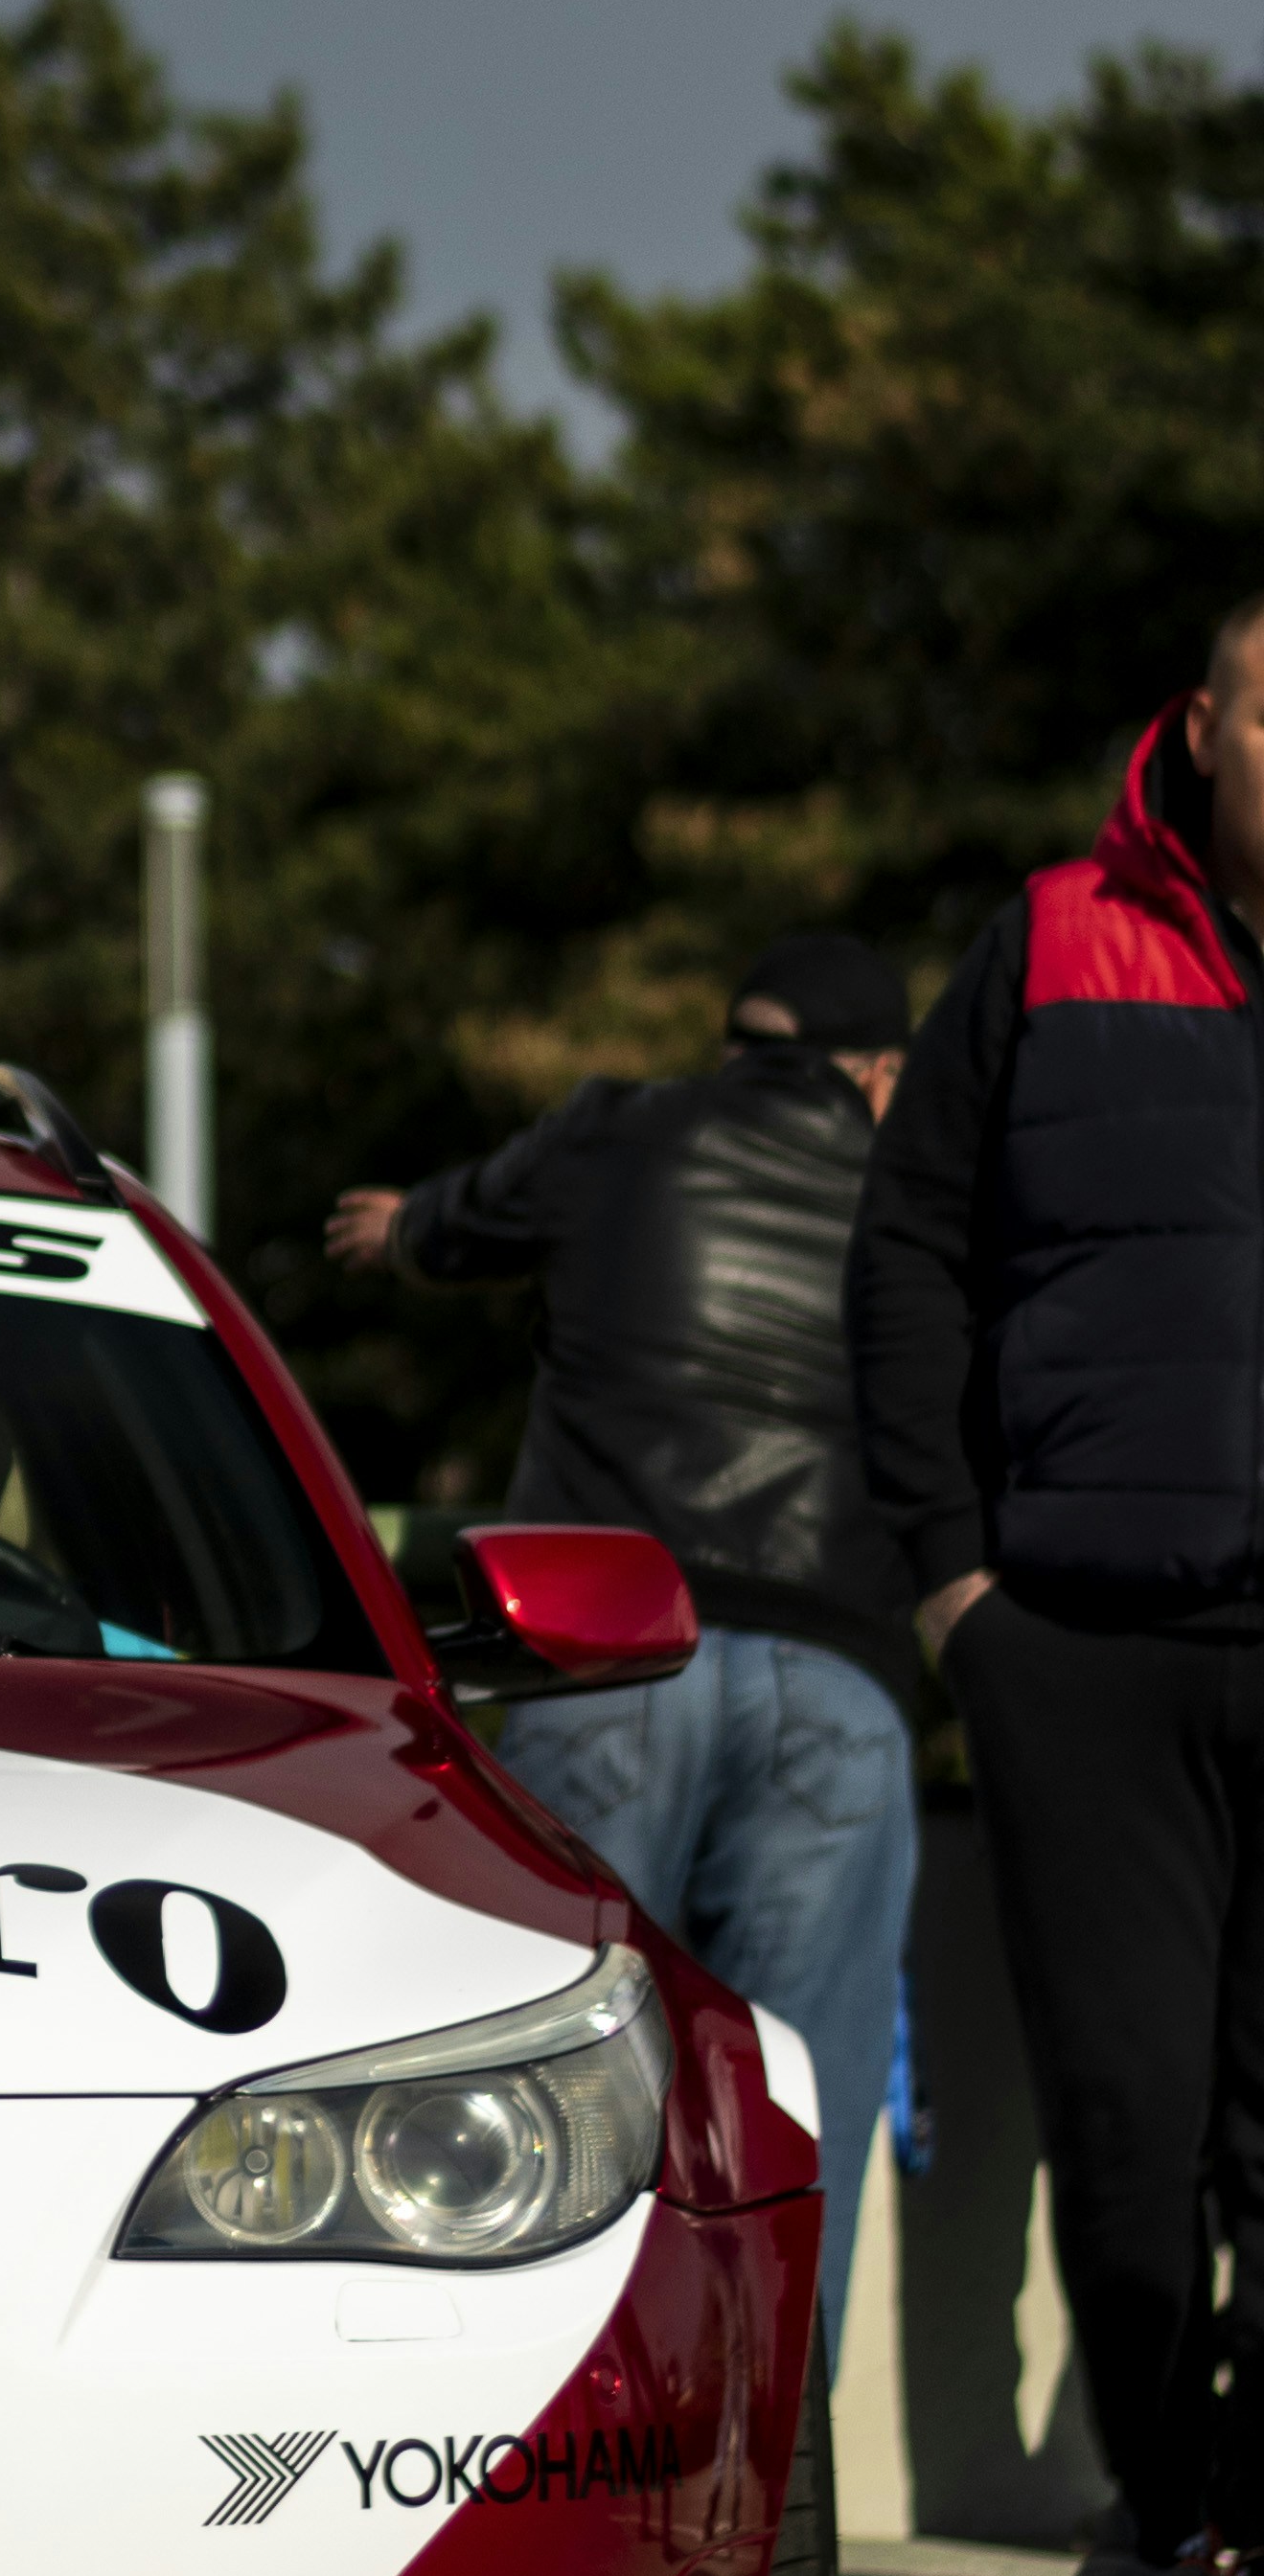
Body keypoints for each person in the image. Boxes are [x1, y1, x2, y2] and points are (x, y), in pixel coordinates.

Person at [851, 625, 1264, 2576]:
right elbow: (906, 1253)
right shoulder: (1049, 945)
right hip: (1081, 1648)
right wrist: (950, 1587)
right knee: (1123, 2138)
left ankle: (1229, 2551)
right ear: (1201, 730)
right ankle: (1162, 2530)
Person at [327, 935, 918, 2356]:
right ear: (879, 1073)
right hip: (840, 1672)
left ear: (739, 1047)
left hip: (613, 1653)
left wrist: (398, 1226)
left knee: (577, 2088)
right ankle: (780, 2502)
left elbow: (438, 1233)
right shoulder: (923, 1183)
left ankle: (564, 2430)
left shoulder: (618, 1129)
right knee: (792, 2114)